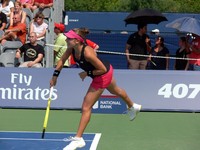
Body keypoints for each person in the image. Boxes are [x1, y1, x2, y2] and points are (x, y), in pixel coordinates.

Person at [50, 28, 142, 150]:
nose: (66, 39)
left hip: (102, 74)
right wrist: (55, 76)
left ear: (77, 41)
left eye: (69, 38)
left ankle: (78, 139)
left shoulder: (87, 53)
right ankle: (133, 106)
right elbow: (61, 60)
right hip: (107, 70)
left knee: (86, 106)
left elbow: (102, 69)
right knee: (116, 90)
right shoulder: (72, 48)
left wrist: (86, 73)